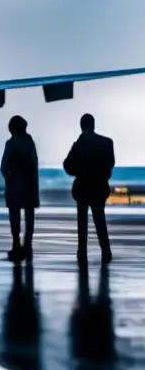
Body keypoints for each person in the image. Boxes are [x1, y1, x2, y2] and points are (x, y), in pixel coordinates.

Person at [63, 113, 114, 266]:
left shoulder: (79, 143)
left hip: (83, 187)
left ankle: (82, 251)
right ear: (93, 125)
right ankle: (106, 250)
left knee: (82, 222)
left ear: (82, 126)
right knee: (100, 220)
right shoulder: (106, 142)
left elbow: (67, 166)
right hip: (99, 187)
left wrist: (78, 171)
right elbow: (110, 163)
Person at [0, 115, 39, 262]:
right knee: (29, 218)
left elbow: (4, 166)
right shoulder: (30, 143)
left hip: (14, 187)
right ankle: (27, 246)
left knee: (15, 218)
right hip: (29, 187)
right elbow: (34, 164)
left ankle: (16, 245)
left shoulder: (10, 143)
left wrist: (9, 178)